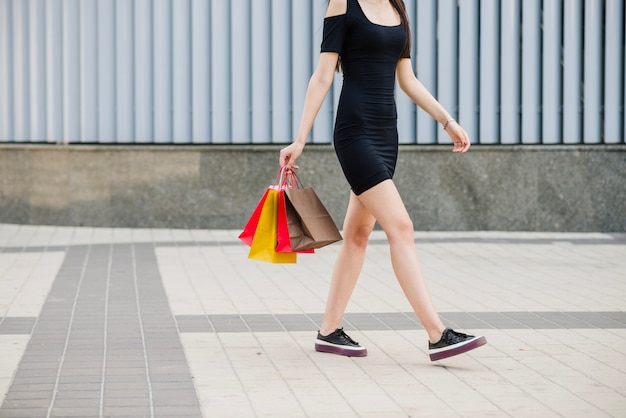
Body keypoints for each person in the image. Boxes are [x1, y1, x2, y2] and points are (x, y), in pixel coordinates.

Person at [279, 0, 486, 361]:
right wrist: (300, 139)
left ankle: (328, 331)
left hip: (386, 135)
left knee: (358, 235)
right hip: (354, 132)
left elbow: (406, 78)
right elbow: (323, 75)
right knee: (401, 227)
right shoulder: (343, 3)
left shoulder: (398, 8)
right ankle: (437, 334)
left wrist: (447, 121)